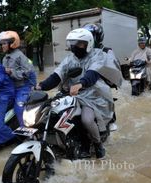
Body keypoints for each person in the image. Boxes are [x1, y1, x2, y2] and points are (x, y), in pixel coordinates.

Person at [36, 28, 114, 159]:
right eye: (74, 43)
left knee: (87, 119)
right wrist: (41, 85)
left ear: (88, 44)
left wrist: (81, 84)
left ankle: (98, 145)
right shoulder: (69, 59)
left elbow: (93, 74)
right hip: (72, 94)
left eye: (79, 44)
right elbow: (57, 75)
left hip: (91, 94)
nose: (75, 47)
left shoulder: (97, 55)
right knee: (52, 113)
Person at [0, 31, 37, 128]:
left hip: (23, 88)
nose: (2, 46)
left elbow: (28, 72)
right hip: (11, 89)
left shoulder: (20, 56)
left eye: (4, 44)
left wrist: (11, 72)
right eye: (2, 44)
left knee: (19, 108)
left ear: (12, 43)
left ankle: (26, 132)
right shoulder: (5, 58)